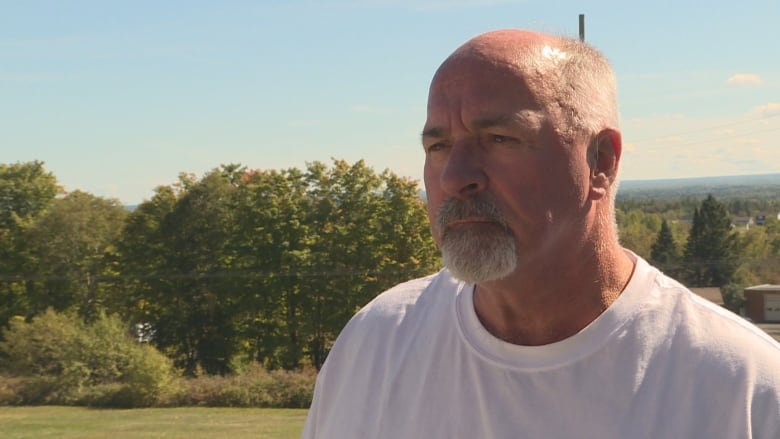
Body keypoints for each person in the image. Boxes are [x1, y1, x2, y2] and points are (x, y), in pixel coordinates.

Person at [302, 29, 780, 438]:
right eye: (439, 146)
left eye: (499, 139)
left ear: (601, 162)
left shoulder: (742, 386)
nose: (455, 177)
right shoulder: (375, 344)